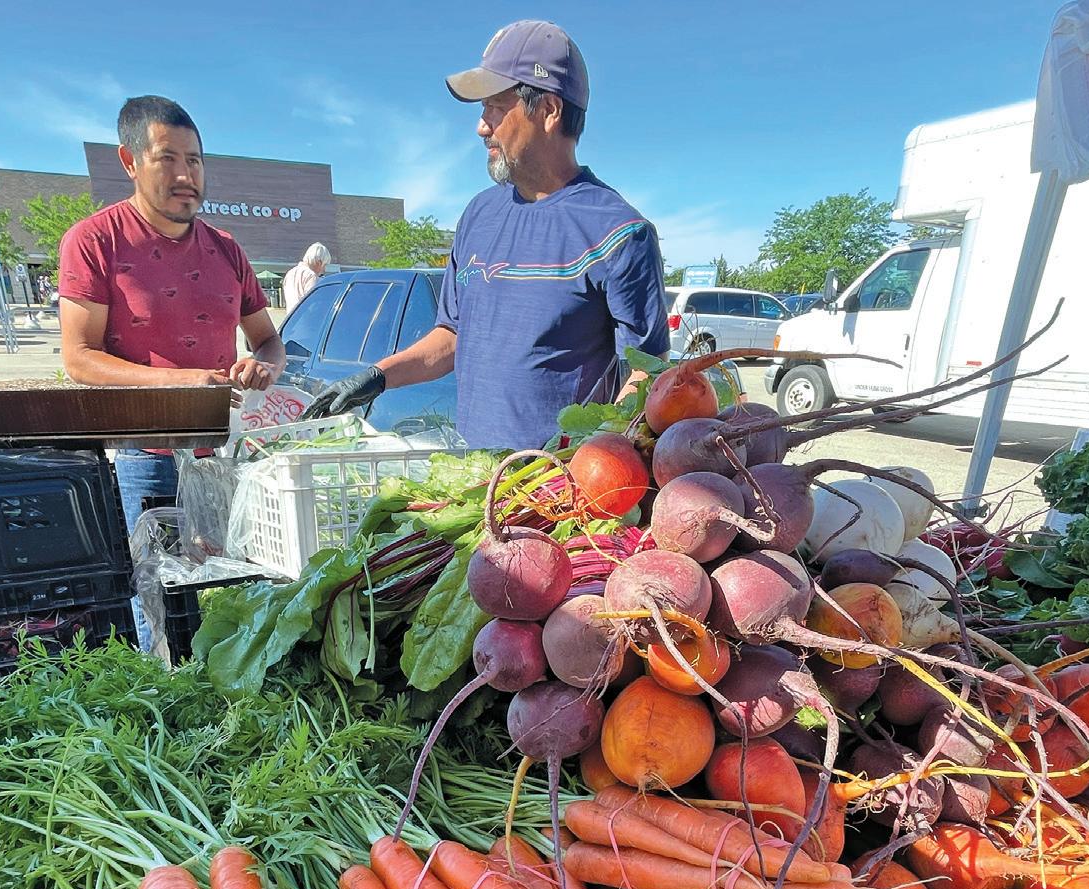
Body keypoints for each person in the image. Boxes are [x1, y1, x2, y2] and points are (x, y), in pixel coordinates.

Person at [304, 20, 667, 450]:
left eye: (495, 107)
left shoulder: (620, 232)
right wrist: (379, 376)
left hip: (559, 482)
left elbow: (647, 372)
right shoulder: (479, 215)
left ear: (549, 110)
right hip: (473, 472)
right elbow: (452, 336)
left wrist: (597, 455)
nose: (481, 126)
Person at [58, 94, 286, 551]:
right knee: (159, 581)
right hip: (147, 456)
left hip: (227, 450)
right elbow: (79, 358)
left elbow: (267, 340)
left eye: (194, 160)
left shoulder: (226, 248)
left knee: (240, 572)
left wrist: (265, 366)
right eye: (167, 159)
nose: (185, 175)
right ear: (130, 162)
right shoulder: (95, 241)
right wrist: (181, 381)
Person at [283, 242, 330, 317]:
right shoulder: (311, 276)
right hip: (305, 320)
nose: (324, 270)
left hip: (290, 320)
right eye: (325, 265)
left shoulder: (290, 273)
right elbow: (312, 304)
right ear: (319, 262)